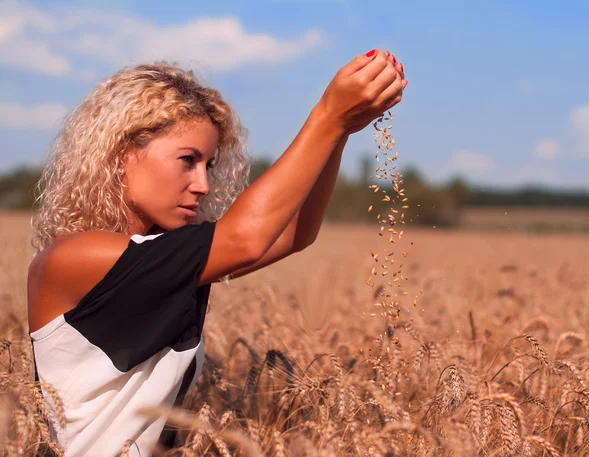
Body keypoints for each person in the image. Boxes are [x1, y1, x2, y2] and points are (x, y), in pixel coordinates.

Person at [27, 49, 407, 456]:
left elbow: (293, 234)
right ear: (123, 155)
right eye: (188, 160)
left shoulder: (157, 257)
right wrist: (327, 114)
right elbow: (246, 240)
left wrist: (340, 130)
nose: (203, 184)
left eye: (209, 164)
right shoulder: (72, 257)